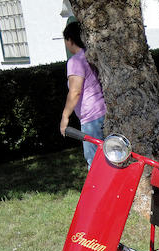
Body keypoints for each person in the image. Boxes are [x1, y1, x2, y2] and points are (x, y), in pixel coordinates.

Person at [60, 21, 106, 168]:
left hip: (91, 117)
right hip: (105, 111)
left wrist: (65, 117)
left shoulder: (75, 61)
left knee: (95, 162)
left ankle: (99, 190)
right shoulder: (91, 55)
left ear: (70, 40)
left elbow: (75, 91)